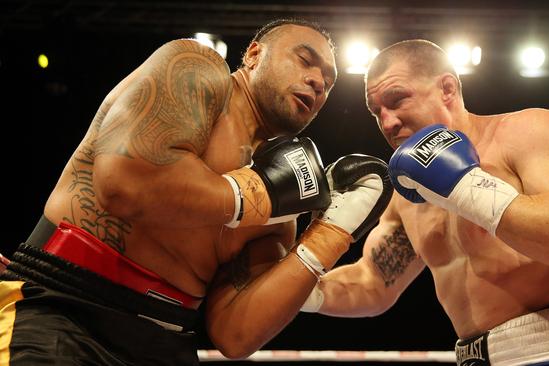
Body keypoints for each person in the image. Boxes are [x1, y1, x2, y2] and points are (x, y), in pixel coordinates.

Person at [0, 19, 392, 365]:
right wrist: (258, 196)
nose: (318, 81)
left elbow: (235, 334)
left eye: (328, 81)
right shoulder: (197, 72)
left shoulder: (286, 206)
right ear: (254, 55)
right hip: (64, 308)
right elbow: (125, 185)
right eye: (306, 60)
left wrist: (328, 236)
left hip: (168, 343)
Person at [300, 40, 549, 365]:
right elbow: (372, 283)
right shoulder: (407, 197)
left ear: (447, 89)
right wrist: (292, 289)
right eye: (377, 111)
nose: (388, 122)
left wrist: (466, 187)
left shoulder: (525, 133)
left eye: (397, 99)